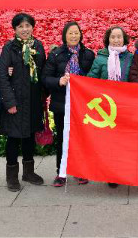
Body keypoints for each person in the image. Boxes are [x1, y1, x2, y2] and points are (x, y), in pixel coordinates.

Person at [42, 21, 95, 187]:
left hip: (82, 105)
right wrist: (59, 81)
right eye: (70, 33)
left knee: (81, 138)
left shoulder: (88, 55)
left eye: (76, 33)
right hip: (61, 103)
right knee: (62, 138)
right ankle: (61, 172)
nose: (73, 36)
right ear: (64, 36)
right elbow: (45, 78)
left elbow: (93, 77)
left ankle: (80, 171)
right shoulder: (56, 54)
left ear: (81, 35)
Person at [0, 13, 47, 192]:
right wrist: (9, 102)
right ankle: (12, 176)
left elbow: (43, 72)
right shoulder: (9, 48)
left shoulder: (38, 46)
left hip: (33, 101)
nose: (25, 29)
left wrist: (44, 95)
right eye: (20, 26)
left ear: (32, 27)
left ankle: (28, 172)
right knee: (13, 138)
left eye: (28, 26)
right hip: (15, 101)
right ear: (15, 29)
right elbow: (2, 76)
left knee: (29, 137)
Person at [87, 25, 133, 188]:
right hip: (107, 108)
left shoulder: (130, 58)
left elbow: (134, 79)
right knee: (110, 143)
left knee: (124, 142)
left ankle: (124, 171)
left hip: (125, 106)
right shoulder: (100, 58)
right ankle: (112, 175)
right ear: (108, 40)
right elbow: (90, 80)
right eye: (113, 37)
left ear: (124, 39)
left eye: (119, 37)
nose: (116, 40)